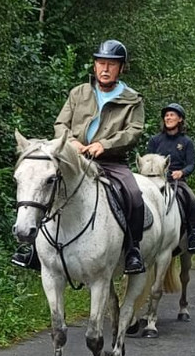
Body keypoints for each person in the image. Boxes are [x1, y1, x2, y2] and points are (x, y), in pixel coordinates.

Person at [12, 39, 147, 275]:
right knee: (42, 186)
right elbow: (61, 123)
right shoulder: (79, 92)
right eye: (101, 63)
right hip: (73, 158)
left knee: (134, 195)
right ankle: (33, 250)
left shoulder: (133, 99)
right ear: (94, 66)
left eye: (111, 65)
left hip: (110, 161)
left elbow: (134, 131)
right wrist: (71, 141)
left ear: (121, 68)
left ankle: (133, 250)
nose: (105, 69)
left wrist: (104, 145)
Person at [146, 102, 195, 252]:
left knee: (193, 201)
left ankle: (193, 236)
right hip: (155, 179)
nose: (168, 117)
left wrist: (181, 172)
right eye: (166, 115)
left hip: (176, 180)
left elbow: (191, 164)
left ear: (180, 119)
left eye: (172, 115)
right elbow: (147, 160)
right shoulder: (155, 140)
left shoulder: (186, 142)